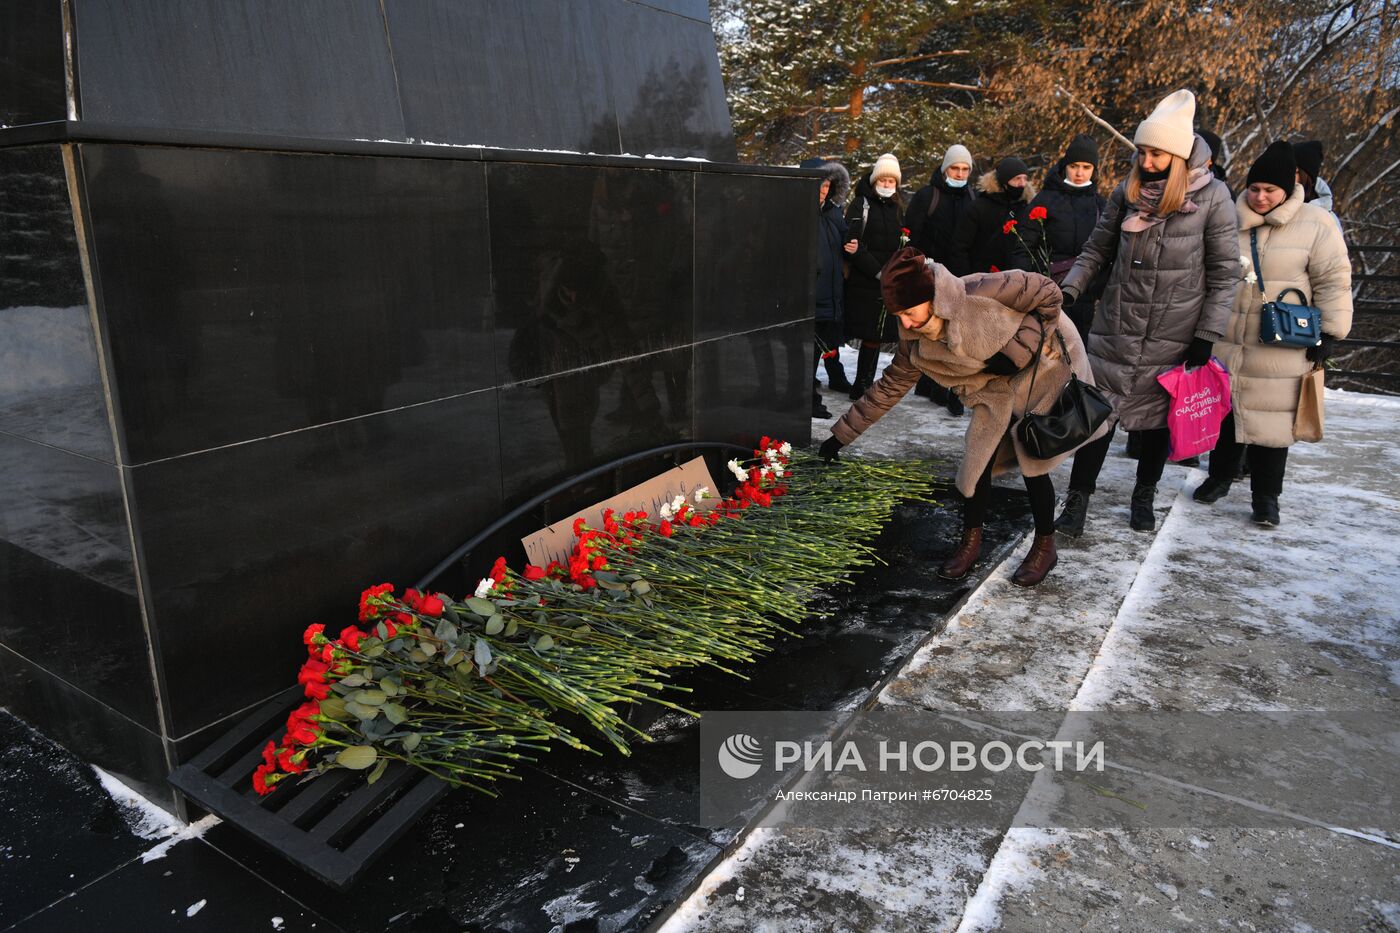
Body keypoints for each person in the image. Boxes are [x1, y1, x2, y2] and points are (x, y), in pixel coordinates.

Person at [818, 247, 1108, 588]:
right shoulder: (914, 344)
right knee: (976, 462)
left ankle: (1045, 545)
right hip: (995, 389)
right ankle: (970, 544)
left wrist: (1022, 347)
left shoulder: (977, 290)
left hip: (1044, 366)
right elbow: (888, 389)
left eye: (910, 312)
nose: (906, 324)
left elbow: (1045, 290)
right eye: (899, 316)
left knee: (1033, 455)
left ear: (933, 298)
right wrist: (839, 437)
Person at [1053, 89, 1240, 536]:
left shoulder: (1213, 198)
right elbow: (1097, 249)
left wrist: (1207, 334)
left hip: (1174, 328)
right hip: (1116, 323)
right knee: (1097, 414)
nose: (1146, 160)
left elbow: (1225, 271)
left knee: (1156, 421)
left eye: (1156, 153)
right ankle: (1077, 502)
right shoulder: (1127, 191)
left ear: (1176, 154)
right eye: (1142, 151)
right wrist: (1071, 290)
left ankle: (1144, 497)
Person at [1190, 141, 1352, 526]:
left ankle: (1266, 497)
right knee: (1226, 413)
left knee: (1273, 423)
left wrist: (1329, 330)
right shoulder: (1229, 218)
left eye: (1270, 190)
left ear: (1288, 189)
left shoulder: (1316, 223)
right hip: (1229, 334)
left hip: (1282, 341)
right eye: (1255, 188)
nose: (1261, 197)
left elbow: (1333, 279)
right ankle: (1219, 477)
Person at [1013, 134, 1107, 341]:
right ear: (1065, 166)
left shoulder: (1101, 205)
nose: (1080, 173)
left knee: (1077, 353)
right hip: (1046, 291)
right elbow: (1023, 246)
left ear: (1094, 170)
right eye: (1074, 166)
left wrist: (1095, 288)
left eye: (1086, 167)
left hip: (1084, 295)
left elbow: (1107, 251)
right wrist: (1029, 287)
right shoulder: (1045, 199)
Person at [906, 144, 977, 416]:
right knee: (931, 329)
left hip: (961, 276)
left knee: (953, 331)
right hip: (931, 273)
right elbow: (911, 234)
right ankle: (930, 383)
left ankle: (942, 384)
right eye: (954, 168)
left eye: (964, 169)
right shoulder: (927, 196)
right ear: (945, 168)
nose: (959, 174)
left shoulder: (973, 197)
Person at [842, 153, 906, 399]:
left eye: (892, 181)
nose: (887, 185)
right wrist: (877, 270)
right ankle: (860, 382)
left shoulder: (898, 208)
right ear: (875, 180)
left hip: (887, 281)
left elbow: (903, 242)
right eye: (883, 180)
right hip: (864, 280)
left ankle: (866, 380)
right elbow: (853, 243)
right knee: (868, 332)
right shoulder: (861, 204)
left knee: (878, 335)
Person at [802, 158, 853, 415]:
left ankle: (809, 396)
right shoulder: (798, 212)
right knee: (806, 352)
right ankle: (807, 399)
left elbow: (841, 247)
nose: (823, 190)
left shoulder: (834, 213)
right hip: (809, 294)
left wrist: (851, 248)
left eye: (827, 185)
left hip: (831, 294)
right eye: (819, 185)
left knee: (819, 349)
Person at [947, 156, 1035, 277]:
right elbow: (959, 248)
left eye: (1025, 179)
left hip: (1018, 280)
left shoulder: (1026, 208)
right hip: (982, 280)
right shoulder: (979, 207)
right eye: (1017, 179)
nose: (1022, 184)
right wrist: (967, 280)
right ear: (1004, 181)